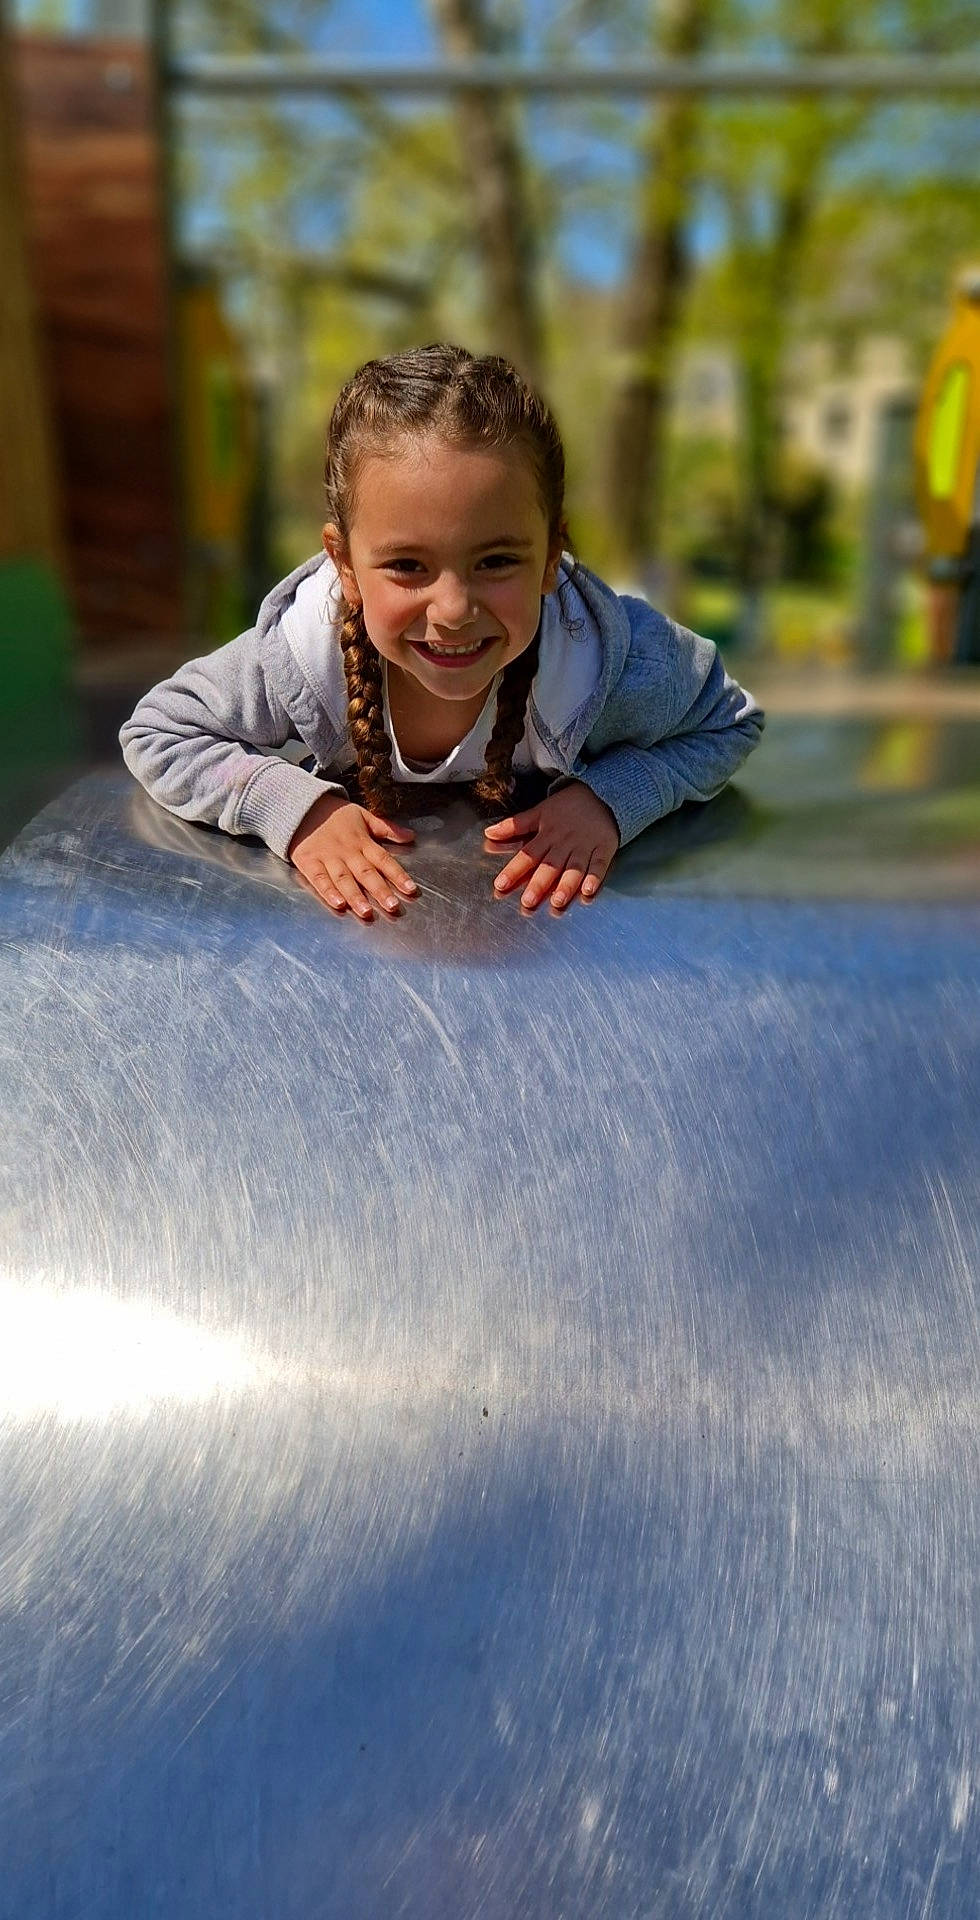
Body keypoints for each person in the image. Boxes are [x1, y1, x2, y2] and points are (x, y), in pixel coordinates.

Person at [121, 344, 764, 920]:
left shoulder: (605, 661)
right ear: (344, 563)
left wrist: (611, 799)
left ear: (549, 558)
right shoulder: (299, 661)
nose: (453, 609)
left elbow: (730, 721)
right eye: (407, 565)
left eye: (496, 561)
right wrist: (294, 809)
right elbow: (157, 731)